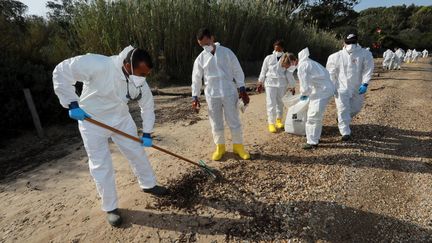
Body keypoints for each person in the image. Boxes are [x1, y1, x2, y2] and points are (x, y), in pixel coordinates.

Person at [52, 46, 167, 227]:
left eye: (146, 74)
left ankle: (148, 184)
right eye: (141, 73)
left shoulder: (139, 82)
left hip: (121, 119)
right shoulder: (99, 64)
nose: (143, 78)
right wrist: (72, 103)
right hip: (92, 121)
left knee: (137, 152)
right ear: (128, 65)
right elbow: (62, 71)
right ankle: (111, 207)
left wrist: (147, 132)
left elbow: (147, 105)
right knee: (101, 164)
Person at [191, 28, 250, 161]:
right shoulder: (201, 58)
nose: (205, 47)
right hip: (212, 93)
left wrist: (242, 88)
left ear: (212, 38)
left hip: (229, 91)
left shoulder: (226, 52)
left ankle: (238, 146)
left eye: (206, 43)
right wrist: (195, 96)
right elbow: (196, 78)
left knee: (233, 119)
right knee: (216, 122)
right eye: (201, 45)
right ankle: (220, 147)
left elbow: (237, 70)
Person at [282, 48, 335, 149]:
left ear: (293, 62)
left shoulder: (302, 66)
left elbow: (305, 86)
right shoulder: (308, 62)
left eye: (288, 66)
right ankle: (315, 137)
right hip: (324, 89)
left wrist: (303, 95)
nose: (288, 69)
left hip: (321, 91)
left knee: (313, 116)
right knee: (316, 116)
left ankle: (312, 142)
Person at [326, 34, 374, 141]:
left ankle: (341, 119)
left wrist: (365, 83)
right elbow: (330, 73)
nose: (351, 45)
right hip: (341, 88)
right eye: (348, 43)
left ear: (357, 42)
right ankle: (345, 132)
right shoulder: (335, 56)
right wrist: (331, 87)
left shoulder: (365, 54)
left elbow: (368, 69)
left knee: (356, 108)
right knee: (343, 109)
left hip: (358, 87)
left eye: (353, 42)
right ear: (343, 43)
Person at [257, 40, 296, 133]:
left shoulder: (286, 57)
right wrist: (260, 82)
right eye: (275, 48)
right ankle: (271, 123)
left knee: (280, 103)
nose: (277, 50)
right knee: (271, 103)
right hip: (270, 83)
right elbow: (263, 70)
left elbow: (289, 73)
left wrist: (293, 86)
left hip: (282, 83)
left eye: (279, 48)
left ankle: (279, 120)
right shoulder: (268, 58)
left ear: (282, 48)